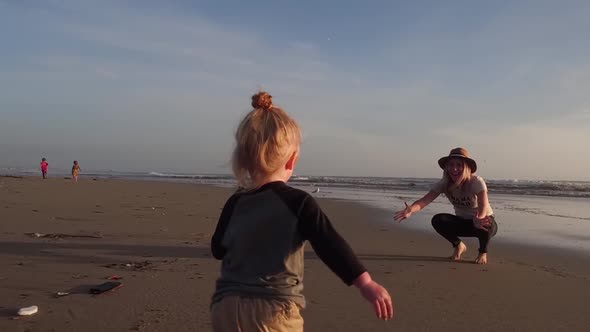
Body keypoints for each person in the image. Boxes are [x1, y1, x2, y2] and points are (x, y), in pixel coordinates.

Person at [210, 91, 393, 331]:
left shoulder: (236, 201)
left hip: (225, 306)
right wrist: (365, 282)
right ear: (291, 160)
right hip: (273, 309)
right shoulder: (298, 202)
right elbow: (330, 244)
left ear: (242, 158)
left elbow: (218, 249)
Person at [393, 147, 498, 265]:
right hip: (462, 222)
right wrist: (411, 210)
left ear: (466, 167)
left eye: (459, 165)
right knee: (438, 220)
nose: (454, 168)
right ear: (446, 167)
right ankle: (458, 245)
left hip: (481, 221)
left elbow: (483, 204)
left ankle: (483, 252)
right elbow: (424, 201)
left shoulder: (476, 181)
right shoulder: (445, 183)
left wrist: (479, 218)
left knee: (486, 223)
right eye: (451, 165)